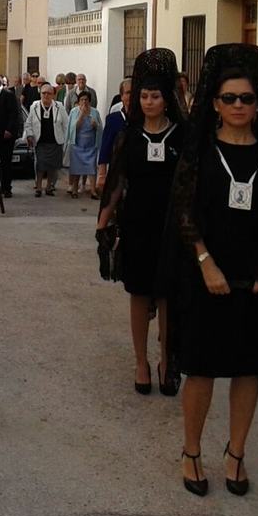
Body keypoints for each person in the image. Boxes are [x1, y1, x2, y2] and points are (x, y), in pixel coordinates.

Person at [166, 44, 258, 498]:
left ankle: (237, 453)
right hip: (208, 277)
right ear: (215, 104)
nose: (239, 106)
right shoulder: (200, 153)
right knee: (201, 369)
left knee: (248, 369)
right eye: (229, 99)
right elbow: (184, 212)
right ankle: (191, 451)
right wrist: (205, 262)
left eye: (246, 98)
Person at [98, 50, 188, 396]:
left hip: (172, 226)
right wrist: (103, 223)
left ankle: (167, 360)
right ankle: (141, 361)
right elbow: (118, 183)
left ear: (167, 100)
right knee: (138, 293)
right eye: (144, 96)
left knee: (167, 296)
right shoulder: (130, 136)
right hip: (137, 225)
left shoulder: (182, 136)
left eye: (155, 96)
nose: (149, 102)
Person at [24, 83, 69, 197]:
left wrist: (65, 140)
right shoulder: (34, 106)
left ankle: (49, 187)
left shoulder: (60, 107)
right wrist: (29, 135)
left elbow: (66, 125)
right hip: (40, 141)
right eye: (43, 93)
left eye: (49, 93)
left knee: (52, 167)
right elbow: (28, 124)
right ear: (40, 94)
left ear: (53, 95)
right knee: (40, 165)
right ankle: (38, 187)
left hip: (55, 141)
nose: (46, 95)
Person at [96, 78, 133, 195]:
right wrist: (102, 174)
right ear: (121, 96)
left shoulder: (145, 119)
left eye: (135, 92)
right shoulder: (113, 119)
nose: (132, 96)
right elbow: (105, 147)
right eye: (128, 93)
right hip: (117, 169)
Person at [65, 91, 102, 198]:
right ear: (78, 101)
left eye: (86, 99)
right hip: (77, 146)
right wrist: (81, 115)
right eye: (82, 100)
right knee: (76, 169)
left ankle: (93, 191)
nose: (84, 102)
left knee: (92, 169)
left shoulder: (95, 112)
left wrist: (96, 125)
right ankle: (75, 190)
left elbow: (100, 128)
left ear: (90, 101)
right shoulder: (74, 112)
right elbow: (72, 128)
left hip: (90, 146)